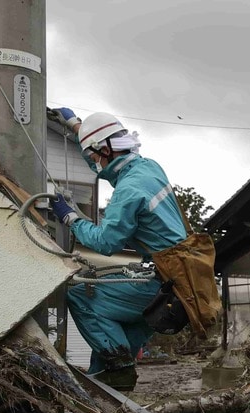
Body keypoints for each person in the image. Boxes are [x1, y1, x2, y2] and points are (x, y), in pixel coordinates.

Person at [46, 108, 186, 391]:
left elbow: (105, 243)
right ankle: (111, 408)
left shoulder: (128, 191)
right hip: (179, 284)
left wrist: (70, 217)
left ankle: (120, 370)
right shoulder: (148, 167)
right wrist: (76, 127)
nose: (94, 162)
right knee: (107, 355)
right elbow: (105, 161)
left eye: (95, 155)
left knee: (79, 296)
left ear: (107, 149)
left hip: (160, 285)